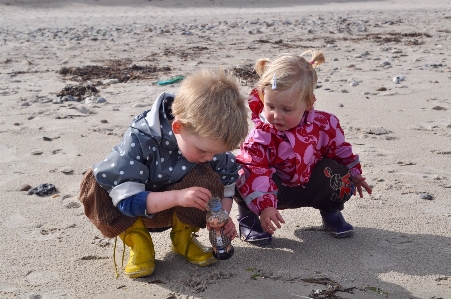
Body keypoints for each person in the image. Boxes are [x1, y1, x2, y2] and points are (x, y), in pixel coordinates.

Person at [79, 69, 249, 278]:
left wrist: (222, 218)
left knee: (210, 174)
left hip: (179, 212)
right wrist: (178, 197)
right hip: (131, 210)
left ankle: (183, 238)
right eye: (204, 151)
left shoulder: (207, 143)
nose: (209, 156)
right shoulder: (141, 139)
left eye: (216, 152)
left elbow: (227, 181)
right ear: (178, 127)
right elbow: (126, 201)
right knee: (97, 183)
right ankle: (139, 242)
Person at [234, 50, 373, 246]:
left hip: (309, 185)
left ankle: (330, 211)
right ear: (262, 98)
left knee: (337, 173)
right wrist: (265, 206)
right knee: (242, 171)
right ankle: (249, 218)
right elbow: (256, 170)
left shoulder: (325, 124)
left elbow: (340, 151)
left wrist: (355, 173)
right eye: (270, 106)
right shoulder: (261, 136)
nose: (276, 115)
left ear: (308, 103)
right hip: (274, 189)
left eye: (286, 109)